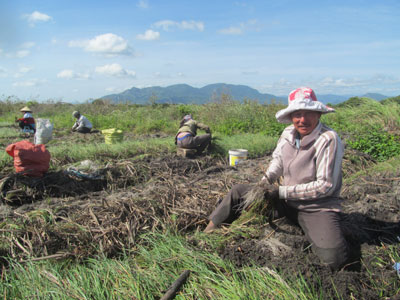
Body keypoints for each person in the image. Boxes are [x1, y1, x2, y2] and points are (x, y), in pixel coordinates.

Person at [204, 87, 349, 271]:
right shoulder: (288, 133)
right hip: (286, 202)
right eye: (297, 114)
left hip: (316, 207)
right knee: (238, 192)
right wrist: (264, 183)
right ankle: (208, 232)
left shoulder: (328, 139)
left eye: (308, 113)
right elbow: (278, 161)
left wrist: (280, 192)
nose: (302, 119)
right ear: (291, 117)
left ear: (318, 114)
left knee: (334, 259)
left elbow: (325, 186)